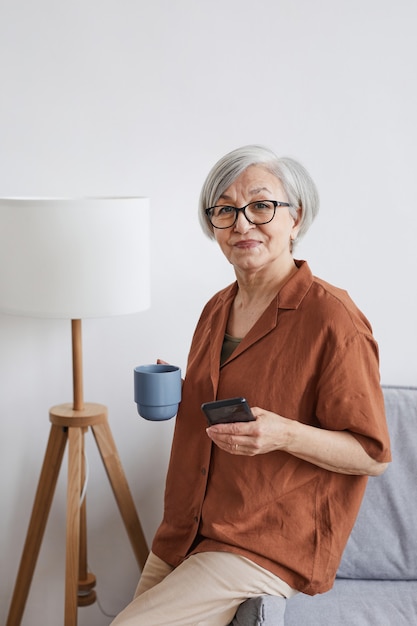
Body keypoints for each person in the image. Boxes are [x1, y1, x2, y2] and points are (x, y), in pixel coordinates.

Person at [111, 145, 391, 626]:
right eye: (224, 210)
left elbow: (372, 456)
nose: (242, 224)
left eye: (261, 206)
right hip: (188, 528)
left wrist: (283, 433)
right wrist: (183, 394)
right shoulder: (217, 307)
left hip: (264, 540)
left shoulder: (333, 318)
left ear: (295, 218)